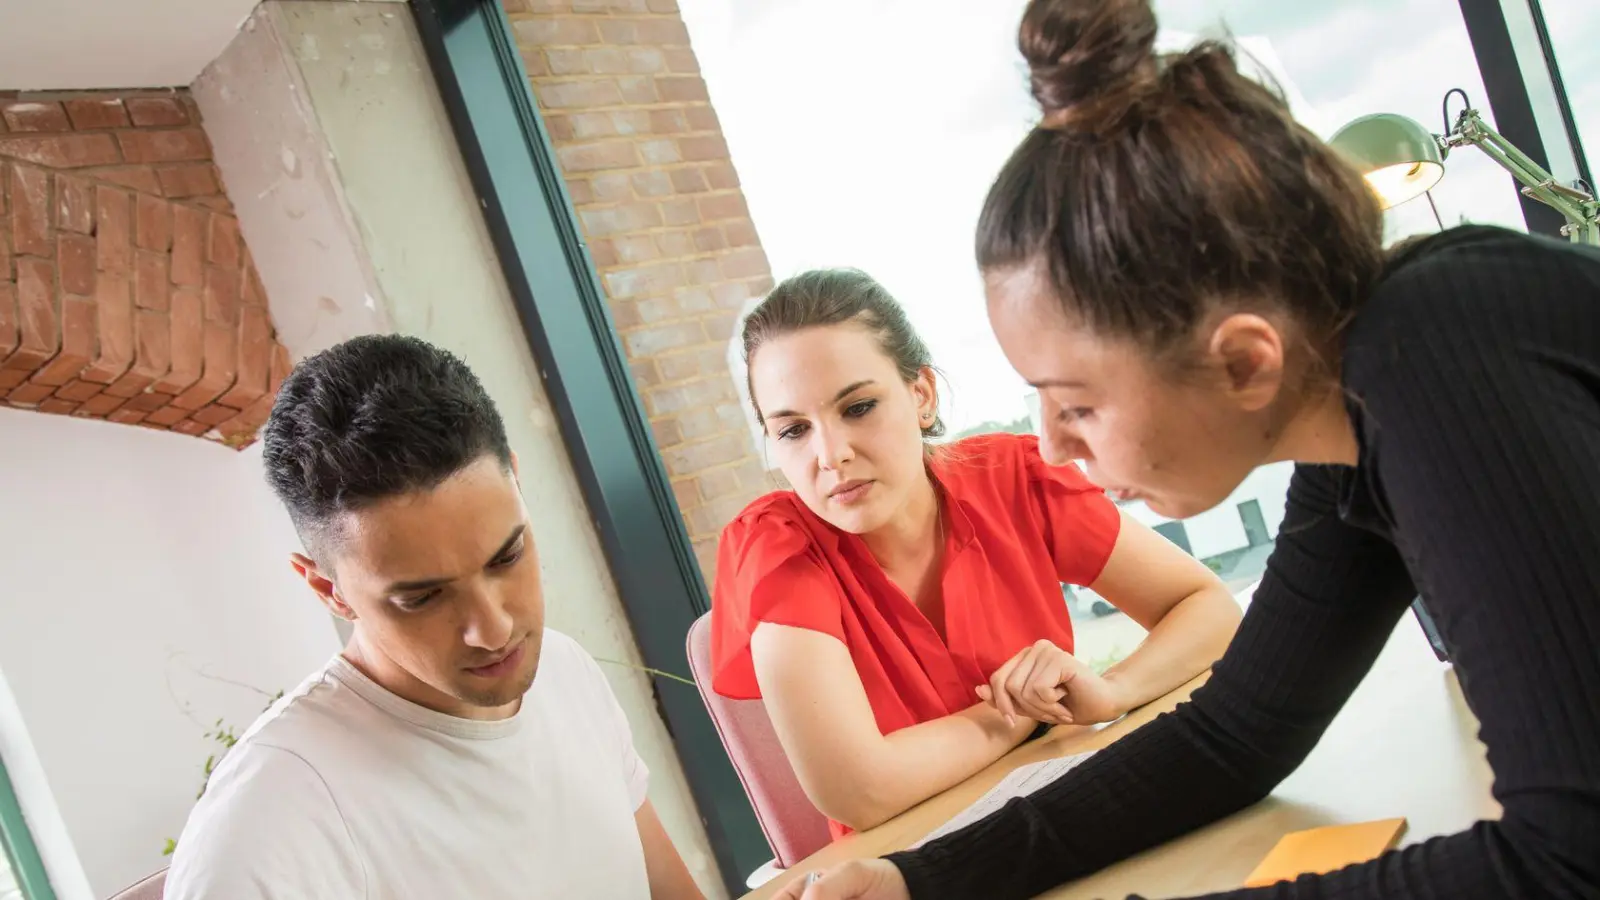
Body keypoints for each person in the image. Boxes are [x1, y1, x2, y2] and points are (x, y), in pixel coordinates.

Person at [777, 0, 1600, 897]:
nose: (1051, 444)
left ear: (1243, 361)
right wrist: (917, 879)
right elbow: (1236, 734)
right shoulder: (1356, 409)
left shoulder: (1436, 364)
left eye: (1077, 404)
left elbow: (1569, 862)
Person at [165, 335, 704, 900]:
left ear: (517, 484)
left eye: (507, 557)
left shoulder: (566, 672)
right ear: (329, 590)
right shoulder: (267, 830)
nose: (494, 629)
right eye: (423, 598)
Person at [711, 268, 1241, 837]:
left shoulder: (1013, 479)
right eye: (793, 430)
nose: (830, 454)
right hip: (914, 862)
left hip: (1074, 814)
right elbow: (860, 792)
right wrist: (1020, 714)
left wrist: (1112, 691)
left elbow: (1209, 609)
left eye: (858, 407)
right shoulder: (776, 549)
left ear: (921, 395)